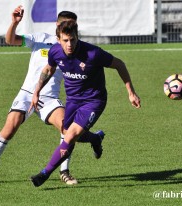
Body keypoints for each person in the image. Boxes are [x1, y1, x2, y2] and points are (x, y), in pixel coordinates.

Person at [0, 6, 105, 186]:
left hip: (50, 98)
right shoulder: (41, 39)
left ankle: (65, 171)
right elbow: (11, 40)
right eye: (65, 25)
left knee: (67, 131)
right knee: (10, 127)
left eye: (72, 26)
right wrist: (14, 23)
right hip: (27, 93)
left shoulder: (75, 48)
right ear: (57, 25)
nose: (68, 29)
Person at [29, 20, 141, 187]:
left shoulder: (93, 53)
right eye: (65, 40)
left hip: (94, 100)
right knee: (67, 131)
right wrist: (37, 91)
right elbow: (48, 69)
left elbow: (119, 64)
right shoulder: (55, 52)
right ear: (58, 39)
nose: (69, 44)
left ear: (77, 37)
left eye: (73, 40)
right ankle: (95, 138)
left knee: (71, 135)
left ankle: (44, 174)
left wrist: (131, 92)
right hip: (73, 100)